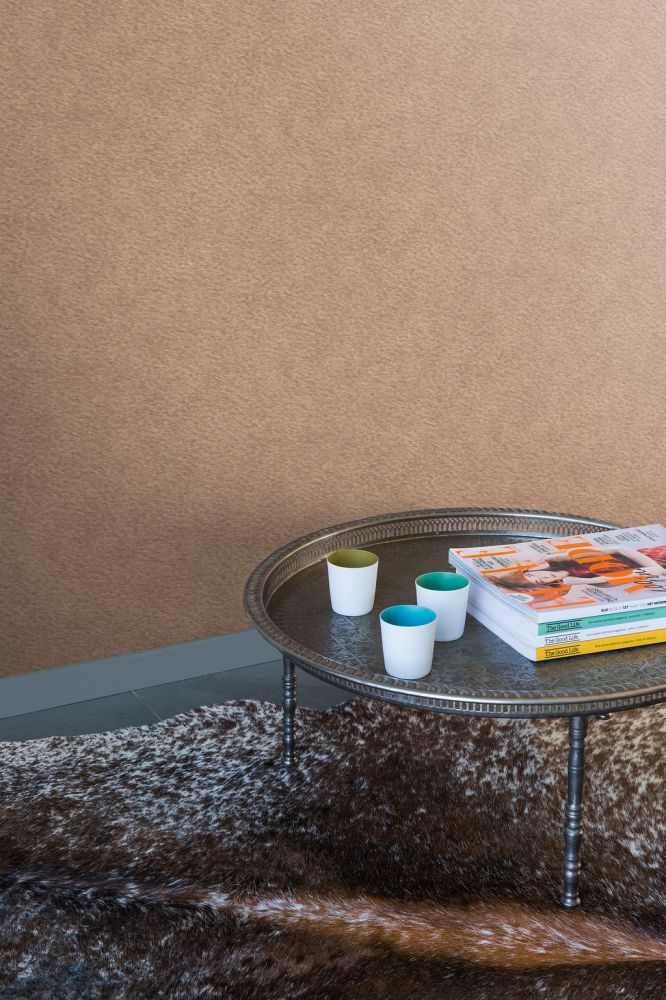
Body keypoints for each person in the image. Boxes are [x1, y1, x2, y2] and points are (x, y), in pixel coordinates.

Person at [487, 544, 666, 605]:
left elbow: (622, 548)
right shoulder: (598, 582)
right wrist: (587, 581)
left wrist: (559, 556)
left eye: (532, 576)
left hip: (655, 551)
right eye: (539, 583)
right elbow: (658, 571)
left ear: (531, 570)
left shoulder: (563, 559)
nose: (541, 578)